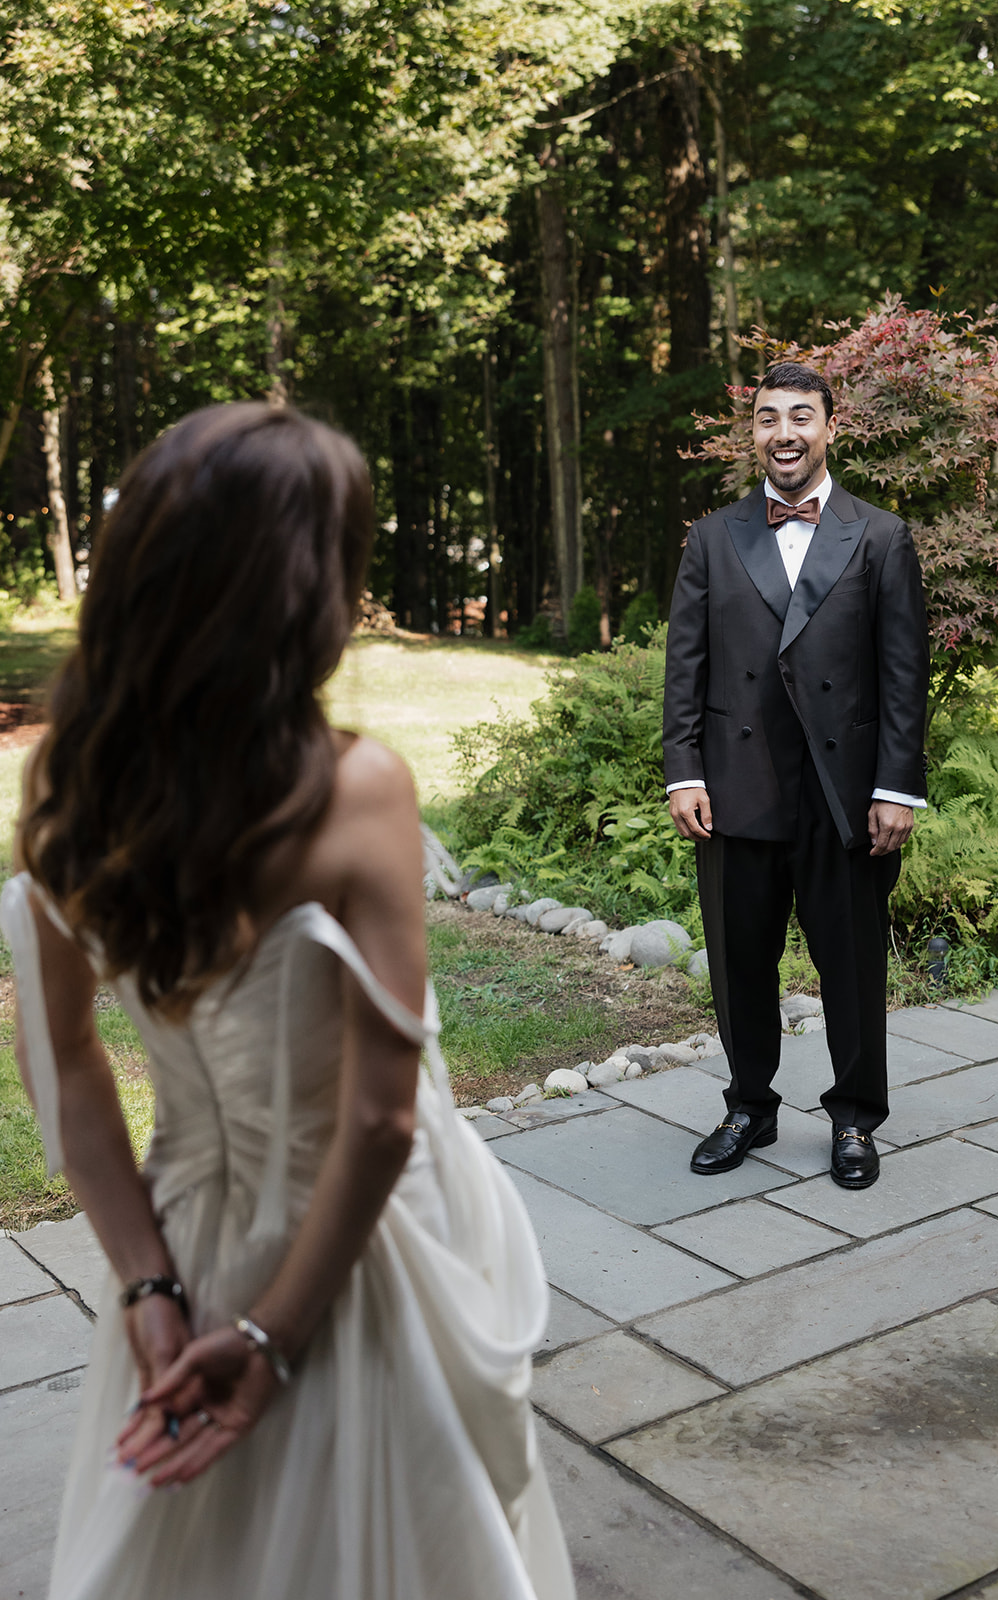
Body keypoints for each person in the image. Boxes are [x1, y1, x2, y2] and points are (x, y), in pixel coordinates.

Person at [3, 402, 574, 1600]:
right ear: (309, 591)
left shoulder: (68, 783)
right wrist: (271, 1336)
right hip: (358, 1245)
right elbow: (378, 1121)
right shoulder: (355, 787)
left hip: (184, 1237)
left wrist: (151, 1288)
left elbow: (62, 1068)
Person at [663, 362, 928, 1189]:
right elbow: (685, 667)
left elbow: (901, 676)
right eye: (767, 418)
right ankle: (748, 1106)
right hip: (736, 786)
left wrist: (895, 787)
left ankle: (853, 1119)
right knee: (739, 961)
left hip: (842, 793)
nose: (783, 432)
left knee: (849, 966)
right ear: (753, 434)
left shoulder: (881, 536)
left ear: (828, 428)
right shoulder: (711, 537)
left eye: (800, 417)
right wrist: (682, 772)